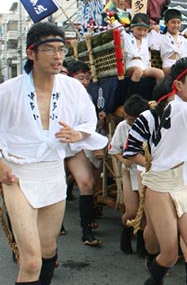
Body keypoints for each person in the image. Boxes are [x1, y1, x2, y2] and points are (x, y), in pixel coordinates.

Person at [0, 22, 108, 285]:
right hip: (17, 176)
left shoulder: (72, 88)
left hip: (53, 173)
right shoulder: (8, 91)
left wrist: (78, 135)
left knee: (49, 251)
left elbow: (87, 121)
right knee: (31, 260)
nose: (57, 55)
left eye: (61, 49)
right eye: (48, 49)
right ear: (31, 53)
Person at [123, 57, 187, 285]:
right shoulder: (178, 110)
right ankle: (152, 281)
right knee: (169, 253)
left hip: (180, 182)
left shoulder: (181, 108)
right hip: (159, 185)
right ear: (177, 86)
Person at [64, 60, 104, 247]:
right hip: (50, 146)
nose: (85, 82)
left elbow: (89, 121)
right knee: (52, 187)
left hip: (75, 142)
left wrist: (86, 136)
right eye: (81, 78)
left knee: (87, 183)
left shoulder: (85, 95)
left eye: (86, 78)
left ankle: (86, 231)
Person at [109, 94, 149, 255]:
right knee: (132, 211)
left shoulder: (150, 125)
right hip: (130, 171)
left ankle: (142, 242)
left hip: (146, 172)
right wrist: (123, 160)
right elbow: (114, 149)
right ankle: (126, 231)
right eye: (125, 117)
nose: (128, 121)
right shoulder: (123, 127)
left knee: (145, 209)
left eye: (131, 119)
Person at [117, 12, 164, 97]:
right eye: (139, 29)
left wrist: (153, 28)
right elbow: (116, 26)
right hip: (131, 66)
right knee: (138, 71)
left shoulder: (147, 39)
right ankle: (131, 97)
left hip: (144, 66)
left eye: (145, 30)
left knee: (160, 73)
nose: (142, 32)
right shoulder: (127, 36)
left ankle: (158, 97)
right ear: (132, 27)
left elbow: (157, 29)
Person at [149, 8, 187, 76]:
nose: (176, 25)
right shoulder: (161, 38)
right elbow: (153, 46)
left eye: (178, 22)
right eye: (173, 22)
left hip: (183, 66)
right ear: (166, 23)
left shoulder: (183, 39)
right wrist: (154, 31)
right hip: (169, 66)